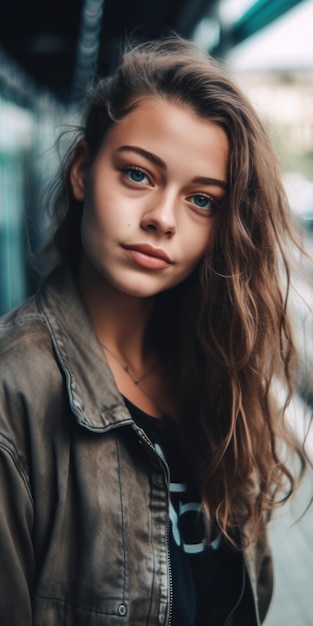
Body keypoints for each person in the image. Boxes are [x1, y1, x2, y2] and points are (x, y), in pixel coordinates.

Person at [0, 36, 309, 626]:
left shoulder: (220, 368)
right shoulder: (14, 395)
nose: (162, 219)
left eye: (201, 200)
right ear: (83, 171)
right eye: (139, 175)